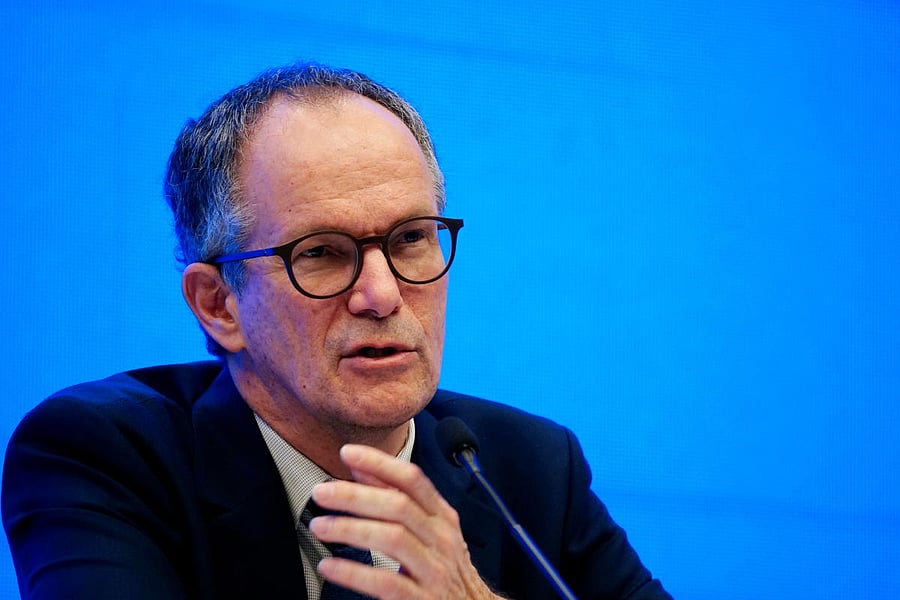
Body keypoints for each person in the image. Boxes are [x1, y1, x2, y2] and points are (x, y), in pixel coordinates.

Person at [2, 62, 672, 600]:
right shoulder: (103, 456)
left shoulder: (526, 469)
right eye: (320, 253)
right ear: (219, 306)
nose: (381, 295)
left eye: (411, 238)